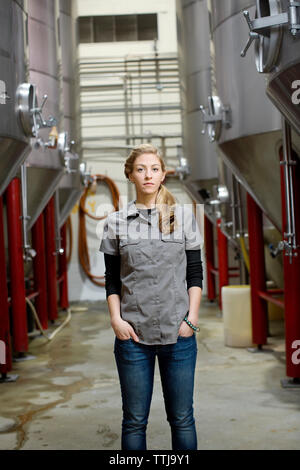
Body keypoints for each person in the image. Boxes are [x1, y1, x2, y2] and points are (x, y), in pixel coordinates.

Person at [99, 143, 203, 450]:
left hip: (179, 334)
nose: (148, 175)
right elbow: (111, 280)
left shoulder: (182, 218)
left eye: (154, 169)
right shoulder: (116, 223)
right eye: (141, 169)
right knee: (134, 420)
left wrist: (192, 319)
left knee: (182, 418)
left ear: (163, 175)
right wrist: (116, 320)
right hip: (133, 337)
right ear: (130, 175)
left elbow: (195, 274)